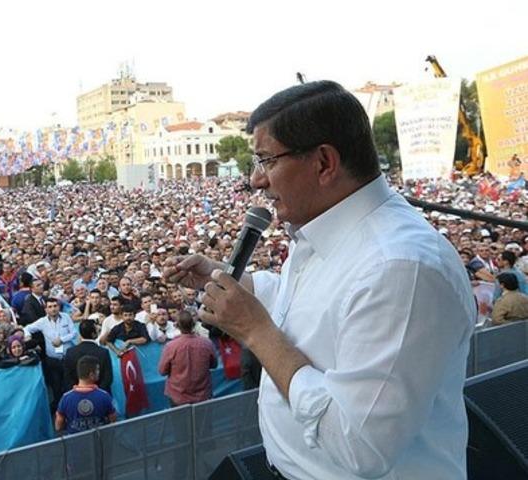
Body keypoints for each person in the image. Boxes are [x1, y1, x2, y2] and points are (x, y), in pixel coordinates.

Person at [164, 81, 475, 479]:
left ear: (324, 162)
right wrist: (238, 284)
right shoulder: (325, 229)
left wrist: (256, 331)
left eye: (266, 160)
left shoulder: (402, 268)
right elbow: (318, 310)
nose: (256, 181)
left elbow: (361, 446)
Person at [157, 311, 216, 406]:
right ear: (193, 324)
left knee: (180, 421)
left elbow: (162, 371)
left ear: (176, 325)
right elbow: (214, 364)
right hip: (202, 395)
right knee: (204, 421)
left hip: (179, 397)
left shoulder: (171, 346)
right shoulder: (207, 343)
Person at [55, 355, 116, 434]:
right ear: (91, 375)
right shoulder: (104, 396)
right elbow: (113, 420)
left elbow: (58, 426)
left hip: (75, 443)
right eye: (97, 370)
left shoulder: (66, 398)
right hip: (100, 441)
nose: (99, 373)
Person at [62, 318, 112, 394]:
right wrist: (98, 393)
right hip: (98, 396)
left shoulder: (71, 352)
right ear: (93, 334)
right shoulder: (103, 352)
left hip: (76, 395)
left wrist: (76, 391)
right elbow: (108, 377)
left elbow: (67, 377)